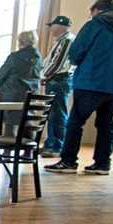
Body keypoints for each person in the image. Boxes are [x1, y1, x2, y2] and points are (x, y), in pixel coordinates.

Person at [46, 0, 113, 175]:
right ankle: (102, 164)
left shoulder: (95, 24)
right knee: (107, 125)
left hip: (91, 81)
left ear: (97, 10)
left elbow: (76, 52)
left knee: (76, 122)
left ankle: (68, 161)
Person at [39, 15, 76, 157]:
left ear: (61, 26)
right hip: (55, 80)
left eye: (52, 25)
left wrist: (44, 75)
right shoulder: (60, 41)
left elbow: (57, 63)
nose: (51, 29)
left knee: (58, 114)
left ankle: (58, 146)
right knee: (52, 114)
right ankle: (51, 143)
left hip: (59, 80)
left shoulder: (67, 40)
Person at [0, 31, 43, 138]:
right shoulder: (39, 58)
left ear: (20, 41)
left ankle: (7, 150)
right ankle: (28, 150)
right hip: (32, 94)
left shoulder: (14, 57)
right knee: (28, 121)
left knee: (10, 122)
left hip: (12, 94)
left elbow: (0, 74)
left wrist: (1, 86)